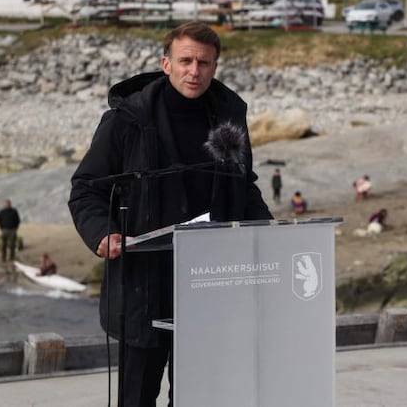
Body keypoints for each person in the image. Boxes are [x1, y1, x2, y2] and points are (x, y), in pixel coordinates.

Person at [68, 21, 272, 407]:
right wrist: (103, 235)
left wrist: (273, 237)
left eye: (204, 63)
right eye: (186, 61)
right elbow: (86, 189)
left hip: (210, 287)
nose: (194, 71)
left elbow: (243, 188)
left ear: (214, 67)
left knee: (198, 398)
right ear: (166, 64)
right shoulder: (127, 120)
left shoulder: (228, 117)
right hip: (143, 287)